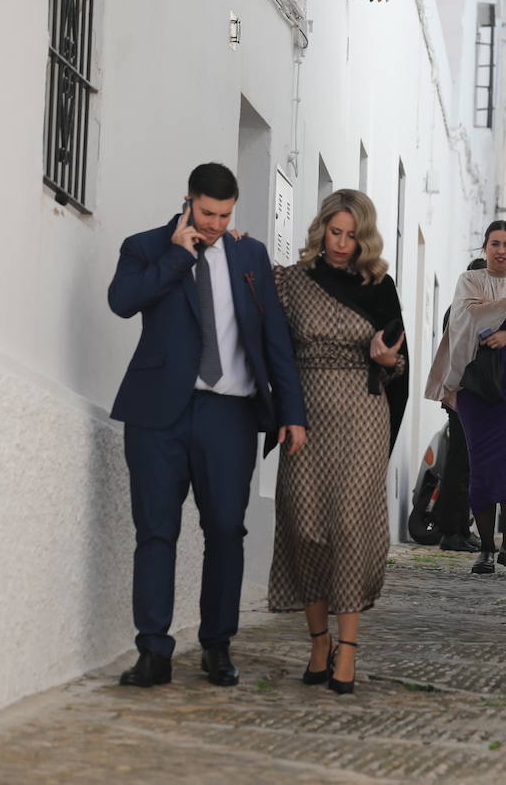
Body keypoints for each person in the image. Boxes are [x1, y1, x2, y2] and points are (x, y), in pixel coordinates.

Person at [107, 162, 307, 688]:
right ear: (188, 202)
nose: (216, 223)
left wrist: (291, 412)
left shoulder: (249, 254)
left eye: (225, 214)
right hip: (157, 416)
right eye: (207, 212)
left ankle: (217, 646)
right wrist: (179, 255)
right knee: (155, 533)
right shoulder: (146, 246)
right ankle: (152, 651)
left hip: (230, 414)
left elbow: (273, 338)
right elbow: (121, 302)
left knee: (225, 531)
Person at [267, 189, 406, 695]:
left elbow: (401, 364)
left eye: (352, 234)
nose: (342, 243)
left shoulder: (379, 287)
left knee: (349, 524)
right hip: (305, 415)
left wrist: (386, 360)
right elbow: (273, 349)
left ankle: (347, 648)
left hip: (363, 413)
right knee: (305, 528)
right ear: (321, 228)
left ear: (364, 236)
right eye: (334, 232)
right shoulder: (292, 282)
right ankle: (318, 640)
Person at [424, 220, 506, 573]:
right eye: (495, 243)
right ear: (484, 249)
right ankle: (485, 547)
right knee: (480, 460)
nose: (501, 250)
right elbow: (467, 318)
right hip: (477, 380)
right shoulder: (470, 281)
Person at [430, 257, 489, 553]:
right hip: (462, 395)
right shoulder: (462, 311)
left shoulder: (466, 309)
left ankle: (461, 529)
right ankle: (451, 531)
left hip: (466, 395)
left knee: (467, 465)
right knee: (459, 465)